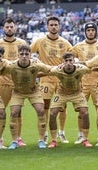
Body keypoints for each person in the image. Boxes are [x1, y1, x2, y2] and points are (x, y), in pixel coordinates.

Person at [30, 16, 73, 144]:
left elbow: (72, 57)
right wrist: (35, 62)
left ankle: (61, 132)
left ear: (59, 26)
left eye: (56, 25)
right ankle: (45, 134)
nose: (54, 27)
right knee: (45, 107)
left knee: (62, 108)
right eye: (51, 25)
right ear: (47, 26)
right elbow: (27, 51)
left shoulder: (65, 43)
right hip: (46, 80)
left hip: (61, 80)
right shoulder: (40, 41)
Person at [0, 18, 27, 147]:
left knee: (18, 111)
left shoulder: (22, 43)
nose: (9, 29)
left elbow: (27, 62)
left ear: (15, 28)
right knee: (0, 111)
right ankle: (0, 138)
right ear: (3, 28)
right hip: (2, 83)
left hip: (18, 84)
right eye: (7, 27)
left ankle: (18, 138)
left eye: (11, 27)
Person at [5, 45, 53, 149]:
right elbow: (0, 71)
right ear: (18, 55)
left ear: (30, 55)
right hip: (18, 92)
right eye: (21, 54)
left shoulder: (35, 64)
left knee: (41, 110)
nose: (24, 56)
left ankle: (41, 140)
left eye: (26, 54)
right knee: (14, 112)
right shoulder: (11, 66)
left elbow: (49, 69)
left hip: (33, 91)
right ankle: (14, 141)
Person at [70, 22, 98, 144]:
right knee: (81, 111)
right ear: (85, 32)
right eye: (88, 30)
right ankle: (80, 135)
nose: (90, 32)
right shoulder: (78, 46)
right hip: (83, 84)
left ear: (96, 31)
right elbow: (69, 60)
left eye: (92, 30)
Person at [48, 52, 93, 148]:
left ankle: (85, 139)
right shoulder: (57, 70)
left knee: (85, 113)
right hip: (61, 94)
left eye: (70, 60)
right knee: (52, 114)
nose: (68, 63)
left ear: (74, 61)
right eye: (66, 61)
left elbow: (92, 68)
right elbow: (45, 72)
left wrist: (82, 62)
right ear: (63, 62)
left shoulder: (81, 69)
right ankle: (53, 140)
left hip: (77, 93)